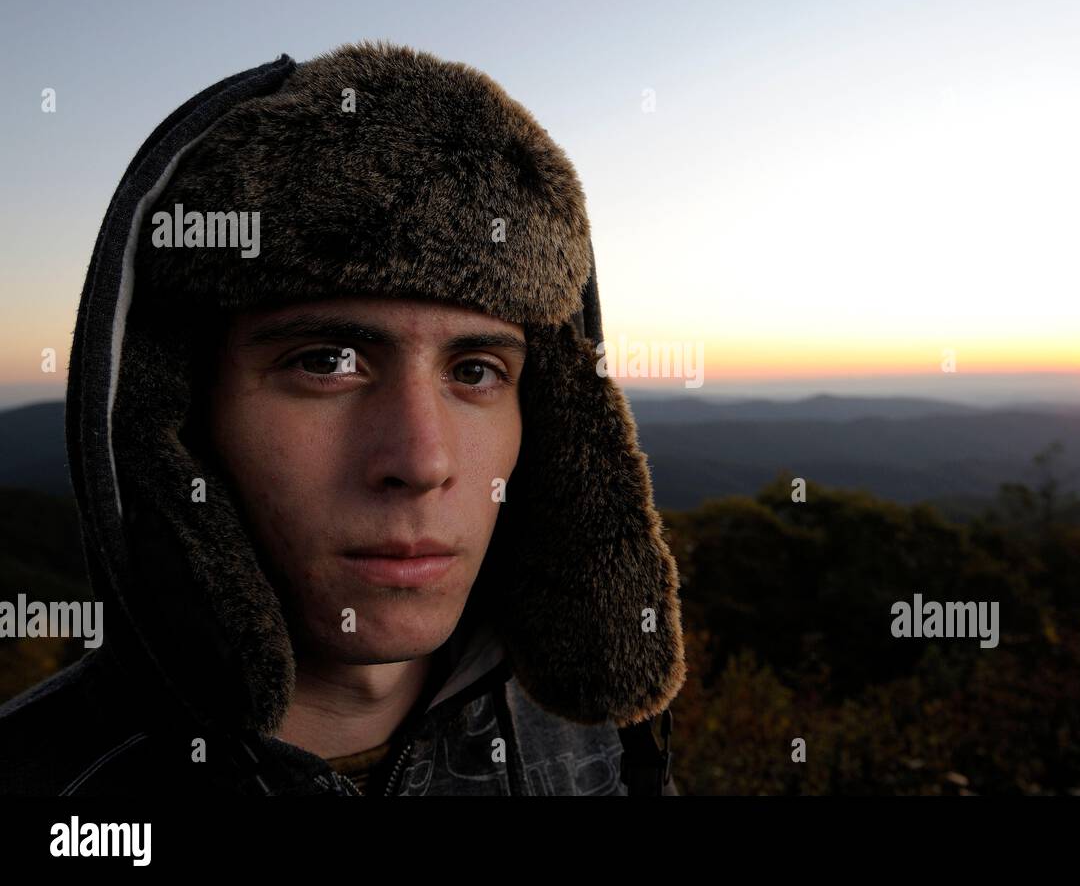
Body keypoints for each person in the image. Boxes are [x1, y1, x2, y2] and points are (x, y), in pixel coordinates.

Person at [0, 40, 686, 795]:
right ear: (182, 418)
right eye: (326, 361)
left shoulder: (596, 745)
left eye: (475, 370)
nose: (422, 461)